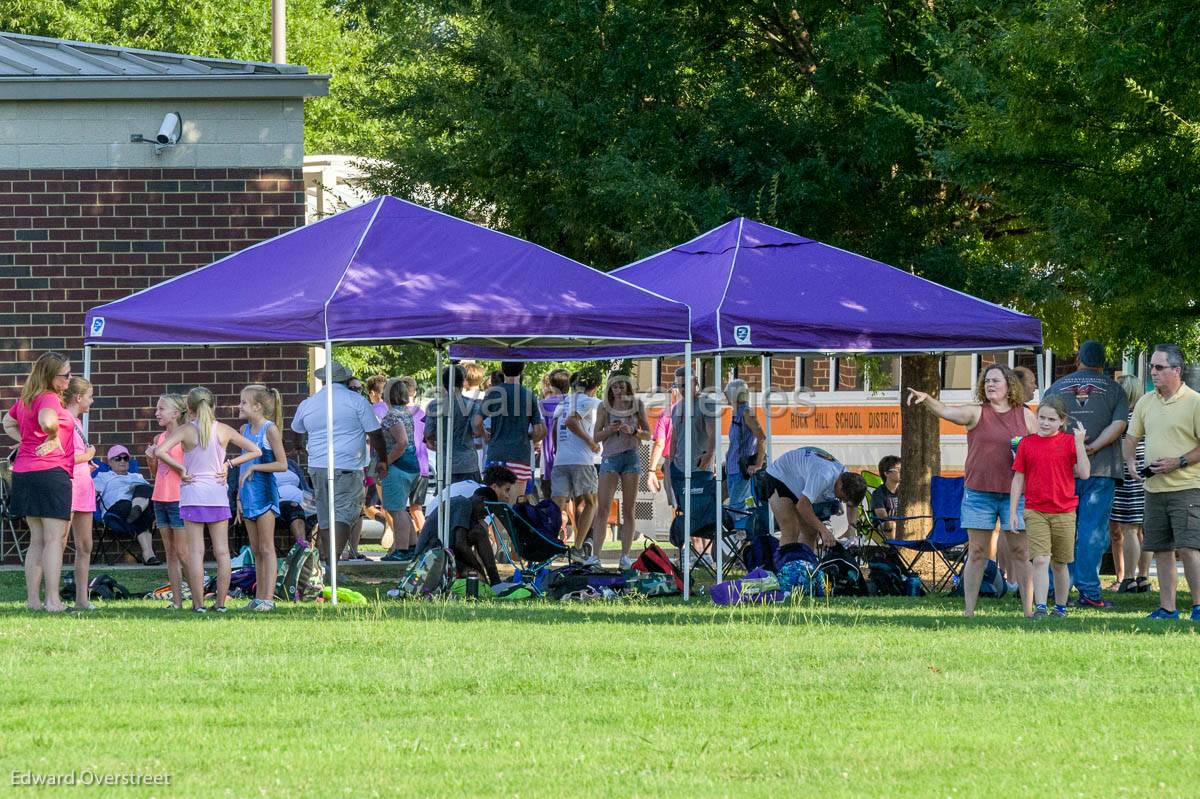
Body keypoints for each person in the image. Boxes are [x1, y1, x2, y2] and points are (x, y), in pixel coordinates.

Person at [908, 364, 1037, 617]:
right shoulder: (977, 413)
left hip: (1016, 496)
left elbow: (1040, 448)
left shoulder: (1026, 416)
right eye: (987, 381)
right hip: (979, 494)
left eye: (996, 381)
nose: (990, 385)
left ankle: (1029, 611)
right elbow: (946, 412)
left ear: (1009, 385)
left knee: (1021, 552)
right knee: (977, 552)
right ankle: (969, 611)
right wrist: (928, 400)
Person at [155, 387, 261, 612]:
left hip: (193, 493)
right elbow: (255, 450)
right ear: (213, 406)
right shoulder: (223, 429)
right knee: (222, 552)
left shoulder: (186, 430)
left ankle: (198, 604)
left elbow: (160, 451)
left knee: (196, 552)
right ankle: (221, 603)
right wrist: (229, 464)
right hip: (217, 494)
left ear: (189, 409)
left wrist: (181, 468)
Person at [1043, 340, 1127, 608]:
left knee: (1059, 529)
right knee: (1093, 531)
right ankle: (1089, 592)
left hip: (1062, 470)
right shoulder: (1115, 389)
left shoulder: (1056, 387)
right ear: (1103, 362)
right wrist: (1092, 447)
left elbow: (1043, 425)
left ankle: (1055, 588)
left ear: (1078, 358)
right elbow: (1119, 425)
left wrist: (1073, 451)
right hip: (1101, 470)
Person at [1123, 344, 1200, 620]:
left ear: (1176, 370)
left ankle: (1198, 606)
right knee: (1162, 550)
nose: (1153, 372)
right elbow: (1131, 438)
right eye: (1151, 367)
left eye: (1159, 367)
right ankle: (1168, 608)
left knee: (1190, 549)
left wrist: (1178, 461)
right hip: (1153, 489)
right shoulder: (1145, 402)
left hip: (1187, 487)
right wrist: (1131, 463)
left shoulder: (1194, 402)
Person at [291, 362, 387, 571]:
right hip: (348, 465)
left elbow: (296, 428)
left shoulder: (308, 403)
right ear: (344, 379)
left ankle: (329, 564)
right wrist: (382, 459)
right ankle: (333, 566)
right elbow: (375, 432)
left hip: (317, 466)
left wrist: (300, 447)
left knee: (325, 515)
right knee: (344, 515)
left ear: (324, 380)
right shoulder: (357, 401)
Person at [3, 352, 74, 612]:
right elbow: (47, 421)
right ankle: (53, 601)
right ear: (49, 376)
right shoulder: (48, 398)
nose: (69, 379)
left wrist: (25, 441)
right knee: (54, 540)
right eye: (65, 375)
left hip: (24, 472)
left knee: (36, 540)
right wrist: (53, 436)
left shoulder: (26, 399)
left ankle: (33, 601)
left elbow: (7, 422)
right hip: (50, 472)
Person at [1010, 395, 1091, 618]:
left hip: (1064, 511)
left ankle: (1061, 607)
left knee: (1060, 562)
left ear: (1062, 421)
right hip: (1035, 509)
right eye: (1042, 418)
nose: (1045, 423)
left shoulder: (1068, 442)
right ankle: (1041, 606)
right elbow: (1018, 478)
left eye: (1051, 419)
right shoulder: (1027, 443)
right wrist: (1012, 512)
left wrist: (1079, 444)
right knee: (1040, 559)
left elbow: (1084, 473)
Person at [414, 464, 521, 584]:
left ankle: (495, 581)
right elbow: (460, 544)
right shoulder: (465, 502)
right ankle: (493, 580)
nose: (507, 496)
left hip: (443, 548)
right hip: (431, 556)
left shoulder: (474, 501)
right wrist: (479, 570)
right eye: (506, 490)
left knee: (478, 532)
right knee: (478, 539)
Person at [592, 374, 650, 570]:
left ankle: (625, 556)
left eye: (621, 387)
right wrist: (610, 429)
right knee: (603, 508)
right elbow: (596, 436)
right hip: (610, 457)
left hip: (631, 456)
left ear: (627, 388)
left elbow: (648, 434)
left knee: (629, 509)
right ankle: (595, 556)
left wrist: (633, 431)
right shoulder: (604, 407)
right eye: (614, 387)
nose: (618, 391)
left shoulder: (637, 405)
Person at [237, 385, 287, 612]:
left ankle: (269, 597)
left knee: (267, 548)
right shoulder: (243, 429)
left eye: (244, 403)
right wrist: (238, 497)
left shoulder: (270, 429)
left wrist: (257, 469)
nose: (240, 406)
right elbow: (241, 466)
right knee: (255, 549)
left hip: (264, 494)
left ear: (257, 407)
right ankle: (258, 596)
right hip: (247, 496)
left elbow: (282, 464)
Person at [763, 446, 866, 549]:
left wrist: (851, 528)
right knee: (791, 530)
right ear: (840, 487)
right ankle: (786, 563)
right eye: (844, 499)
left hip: (797, 482)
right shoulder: (824, 475)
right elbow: (803, 506)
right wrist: (824, 530)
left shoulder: (847, 477)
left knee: (811, 532)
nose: (842, 501)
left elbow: (852, 505)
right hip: (779, 476)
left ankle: (806, 563)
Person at [551, 366, 603, 563]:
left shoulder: (564, 402)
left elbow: (556, 427)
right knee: (591, 503)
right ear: (596, 385)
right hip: (581, 460)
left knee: (557, 506)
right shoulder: (590, 401)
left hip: (560, 461)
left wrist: (559, 451)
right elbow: (572, 423)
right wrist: (590, 441)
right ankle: (578, 547)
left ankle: (551, 544)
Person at [145, 393, 192, 610]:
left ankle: (199, 596)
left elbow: (185, 472)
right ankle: (177, 601)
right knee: (170, 553)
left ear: (176, 413)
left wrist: (162, 455)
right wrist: (151, 459)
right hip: (160, 498)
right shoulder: (159, 439)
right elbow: (156, 473)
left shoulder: (186, 438)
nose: (157, 413)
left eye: (161, 409)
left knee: (183, 552)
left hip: (178, 498)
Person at [475, 361, 545, 497]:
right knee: (515, 504)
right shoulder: (529, 395)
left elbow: (477, 422)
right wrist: (528, 436)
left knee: (494, 504)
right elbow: (538, 431)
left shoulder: (493, 393)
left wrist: (485, 435)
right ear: (522, 370)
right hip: (520, 456)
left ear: (502, 370)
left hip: (496, 454)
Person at [1110, 374, 1151, 593]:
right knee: (1142, 529)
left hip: (1127, 472)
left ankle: (1128, 578)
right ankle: (1143, 576)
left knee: (1128, 529)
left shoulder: (1123, 417)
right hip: (1146, 469)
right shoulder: (1146, 413)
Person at [93, 445, 158, 564]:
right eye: (118, 458)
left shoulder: (137, 476)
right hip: (115, 509)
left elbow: (148, 492)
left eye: (125, 458)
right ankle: (149, 555)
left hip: (135, 508)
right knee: (144, 511)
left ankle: (136, 509)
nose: (122, 461)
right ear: (110, 462)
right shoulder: (103, 476)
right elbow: (91, 494)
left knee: (144, 488)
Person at [63, 377, 96, 611]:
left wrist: (87, 461)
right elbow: (62, 456)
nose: (91, 401)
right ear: (78, 397)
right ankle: (52, 597)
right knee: (60, 543)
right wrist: (87, 455)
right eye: (90, 396)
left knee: (85, 545)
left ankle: (82, 599)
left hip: (84, 485)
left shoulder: (78, 423)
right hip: (69, 486)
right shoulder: (64, 420)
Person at [379, 378, 421, 562]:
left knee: (396, 510)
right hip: (412, 465)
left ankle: (401, 550)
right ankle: (411, 547)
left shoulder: (392, 416)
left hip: (397, 467)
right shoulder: (405, 412)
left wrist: (385, 462)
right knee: (403, 510)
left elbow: (402, 442)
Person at [667, 366, 718, 513]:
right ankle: (685, 537)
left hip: (699, 468)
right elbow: (674, 437)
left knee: (700, 513)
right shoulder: (676, 407)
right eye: (679, 386)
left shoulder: (706, 403)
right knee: (683, 511)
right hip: (678, 468)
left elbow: (712, 433)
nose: (682, 389)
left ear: (695, 382)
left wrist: (709, 455)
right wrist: (671, 463)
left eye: (685, 385)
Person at [425, 364, 483, 485]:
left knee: (447, 501)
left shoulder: (434, 406)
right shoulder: (472, 405)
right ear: (462, 383)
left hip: (445, 464)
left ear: (444, 384)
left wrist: (438, 447)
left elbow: (428, 434)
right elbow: (477, 431)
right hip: (468, 463)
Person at [724, 379, 764, 522]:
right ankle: (743, 539)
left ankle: (744, 539)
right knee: (739, 507)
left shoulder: (746, 413)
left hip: (742, 470)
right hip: (733, 468)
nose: (725, 395)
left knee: (737, 509)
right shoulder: (736, 413)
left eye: (728, 392)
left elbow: (761, 437)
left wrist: (758, 464)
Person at [400, 375, 430, 533]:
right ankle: (425, 540)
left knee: (399, 509)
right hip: (422, 465)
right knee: (416, 508)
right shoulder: (422, 413)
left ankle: (414, 541)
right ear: (414, 391)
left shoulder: (399, 413)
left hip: (405, 465)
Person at [646, 381, 681, 506]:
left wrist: (651, 470)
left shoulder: (667, 413)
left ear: (674, 392)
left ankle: (680, 524)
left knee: (677, 505)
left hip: (673, 462)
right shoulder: (699, 411)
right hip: (697, 463)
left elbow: (660, 443)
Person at [538, 368, 571, 501]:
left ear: (551, 385)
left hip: (548, 462)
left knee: (550, 504)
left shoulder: (542, 405)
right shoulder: (574, 403)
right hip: (570, 459)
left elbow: (539, 431)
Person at [872, 455, 901, 536]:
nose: (902, 472)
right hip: (883, 525)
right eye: (898, 469)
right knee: (891, 525)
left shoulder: (904, 492)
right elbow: (883, 517)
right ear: (886, 473)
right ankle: (895, 548)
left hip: (901, 523)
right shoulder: (878, 493)